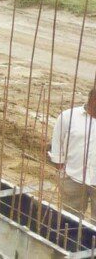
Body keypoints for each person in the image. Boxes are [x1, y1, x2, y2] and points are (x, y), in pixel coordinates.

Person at [49, 87, 96, 216]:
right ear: (92, 99)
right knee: (70, 220)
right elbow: (57, 143)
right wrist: (61, 168)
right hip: (72, 178)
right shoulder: (68, 116)